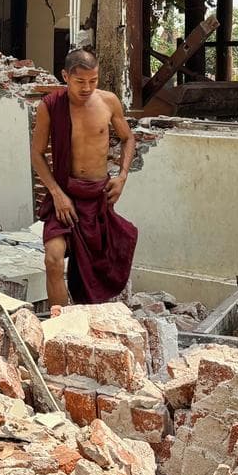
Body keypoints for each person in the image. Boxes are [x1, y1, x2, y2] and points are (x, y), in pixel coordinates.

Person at [30, 48, 139, 307]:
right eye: (80, 81)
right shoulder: (50, 106)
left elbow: (128, 138)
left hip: (97, 197)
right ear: (65, 76)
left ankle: (89, 320)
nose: (87, 88)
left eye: (94, 80)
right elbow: (36, 154)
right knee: (53, 258)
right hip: (65, 196)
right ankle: (61, 324)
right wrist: (57, 194)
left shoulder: (109, 101)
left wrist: (122, 176)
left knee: (99, 267)